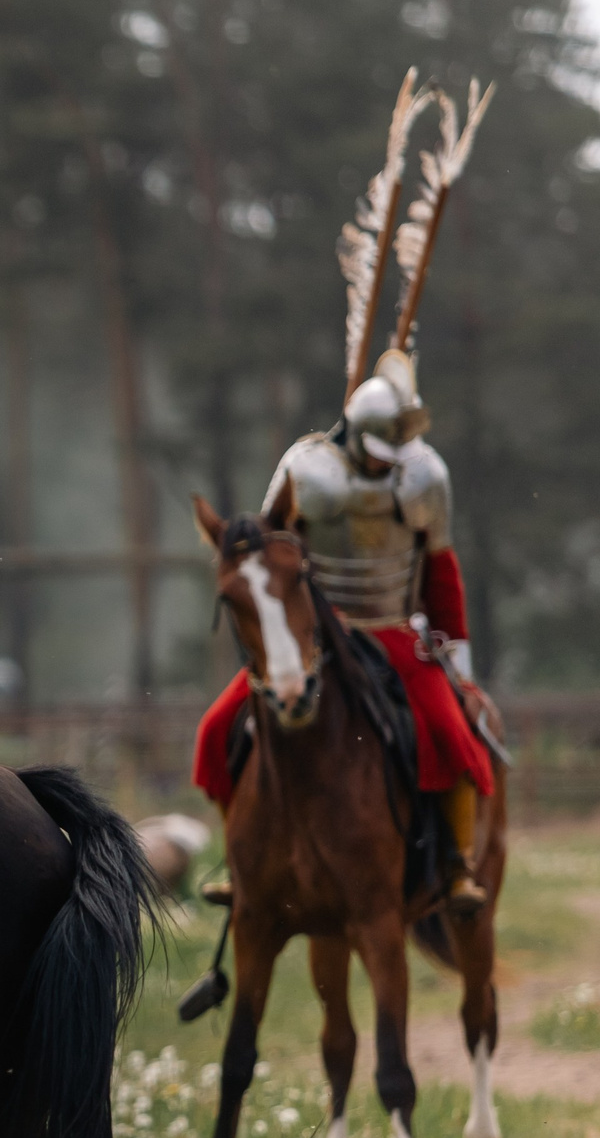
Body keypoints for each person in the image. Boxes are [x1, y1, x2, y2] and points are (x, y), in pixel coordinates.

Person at [190, 346, 493, 909]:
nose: (386, 464)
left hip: (397, 631)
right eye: (378, 453)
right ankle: (243, 862)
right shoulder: (306, 469)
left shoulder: (425, 473)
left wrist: (460, 660)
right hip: (317, 635)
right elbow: (268, 551)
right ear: (354, 436)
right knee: (217, 728)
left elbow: (442, 573)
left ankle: (456, 865)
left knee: (454, 734)